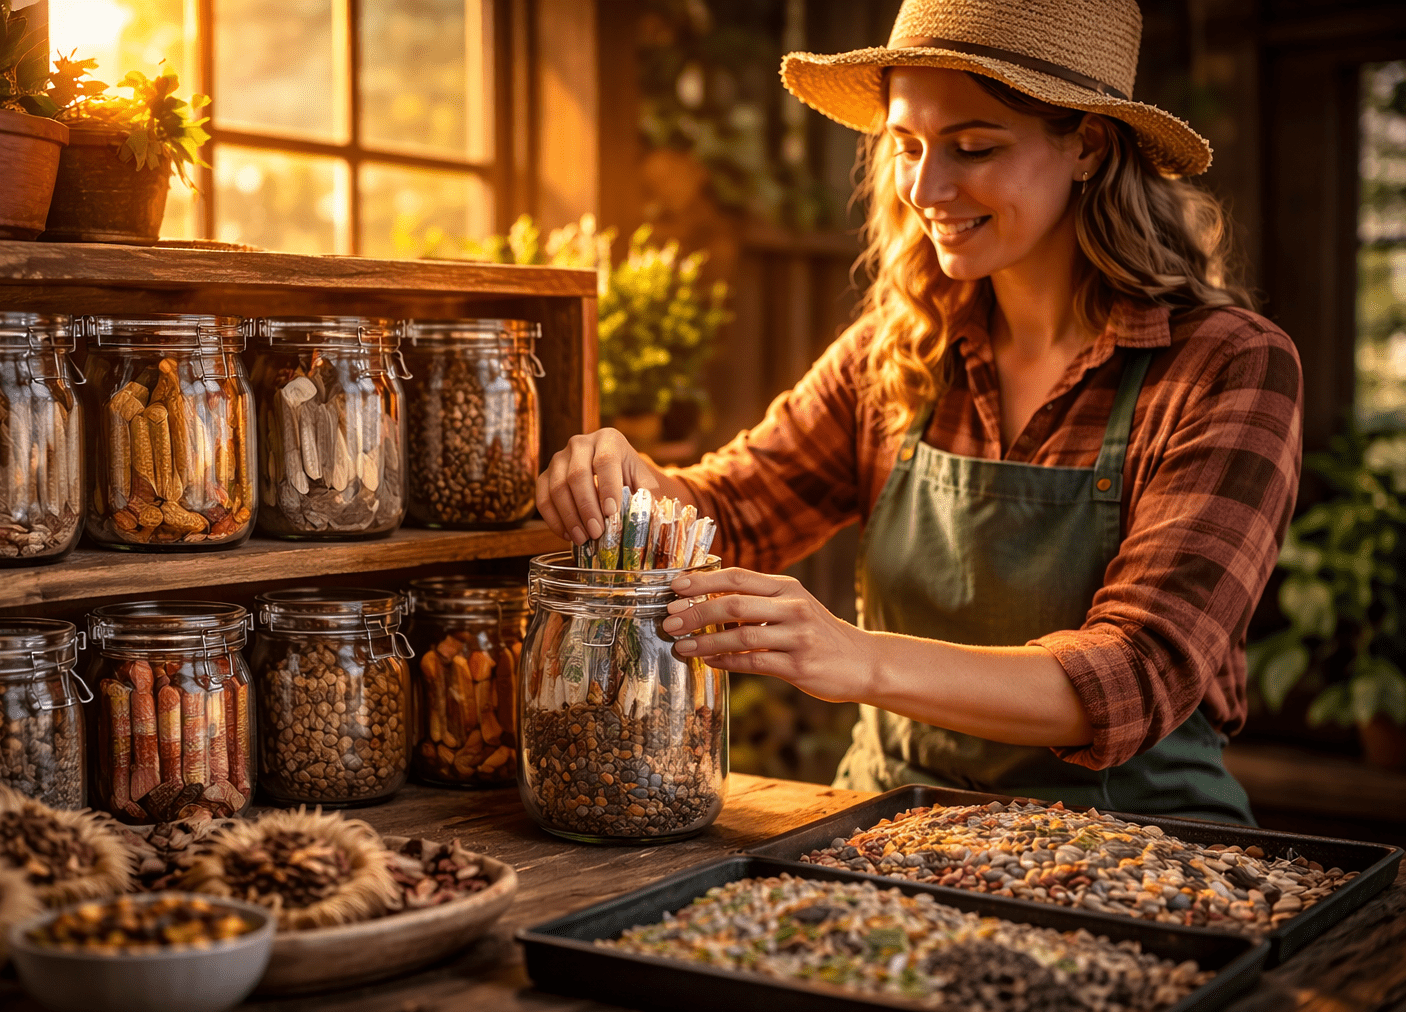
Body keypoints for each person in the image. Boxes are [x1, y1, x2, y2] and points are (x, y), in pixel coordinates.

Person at [535, 0, 1302, 823]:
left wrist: (856, 658)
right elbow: (733, 512)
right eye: (905, 145)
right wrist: (628, 481)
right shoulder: (899, 348)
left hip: (1140, 845)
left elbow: (1136, 670)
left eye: (975, 146)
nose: (925, 187)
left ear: (1088, 146)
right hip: (888, 825)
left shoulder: (1227, 366)